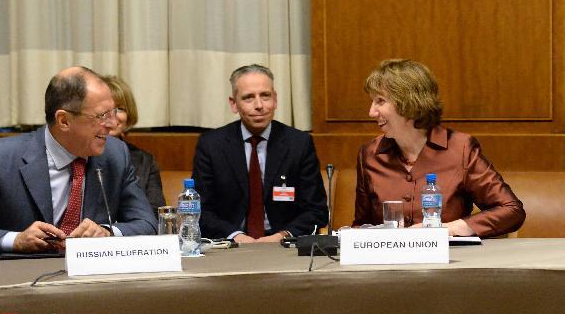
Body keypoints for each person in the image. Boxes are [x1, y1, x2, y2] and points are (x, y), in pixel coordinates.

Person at [0, 66, 158, 255]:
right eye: (102, 116)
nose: (113, 124)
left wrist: (107, 232)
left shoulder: (116, 155)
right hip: (21, 278)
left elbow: (147, 224)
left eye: (113, 112)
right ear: (64, 120)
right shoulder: (0, 159)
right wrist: (14, 240)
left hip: (92, 279)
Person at [353, 59, 525, 237]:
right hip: (388, 262)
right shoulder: (369, 154)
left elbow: (511, 211)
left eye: (380, 101)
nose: (371, 112)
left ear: (409, 102)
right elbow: (361, 226)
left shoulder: (460, 149)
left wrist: (448, 229)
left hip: (449, 261)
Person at [192, 64, 328, 242]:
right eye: (248, 98)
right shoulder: (211, 145)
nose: (259, 105)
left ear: (275, 99)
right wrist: (236, 236)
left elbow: (316, 211)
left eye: (265, 96)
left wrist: (281, 236)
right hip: (229, 244)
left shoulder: (299, 144)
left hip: (283, 246)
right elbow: (200, 210)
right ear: (234, 104)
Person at [102, 75, 166, 209]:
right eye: (105, 109)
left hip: (136, 230)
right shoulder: (80, 154)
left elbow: (154, 212)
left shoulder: (144, 161)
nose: (113, 117)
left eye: (120, 108)